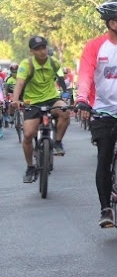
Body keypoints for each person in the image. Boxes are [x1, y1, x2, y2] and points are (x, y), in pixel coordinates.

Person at [75, 0, 117, 228]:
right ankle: (106, 207)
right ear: (113, 23)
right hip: (104, 111)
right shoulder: (95, 47)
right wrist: (82, 99)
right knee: (104, 158)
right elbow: (84, 76)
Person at [11, 36, 71, 182]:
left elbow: (61, 78)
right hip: (32, 102)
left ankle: (57, 142)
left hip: (51, 98)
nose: (42, 51)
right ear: (32, 51)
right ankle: (30, 167)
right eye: (37, 49)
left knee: (65, 111)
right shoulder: (27, 64)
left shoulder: (53, 62)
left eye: (43, 47)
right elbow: (19, 83)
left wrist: (67, 95)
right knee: (27, 135)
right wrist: (15, 100)